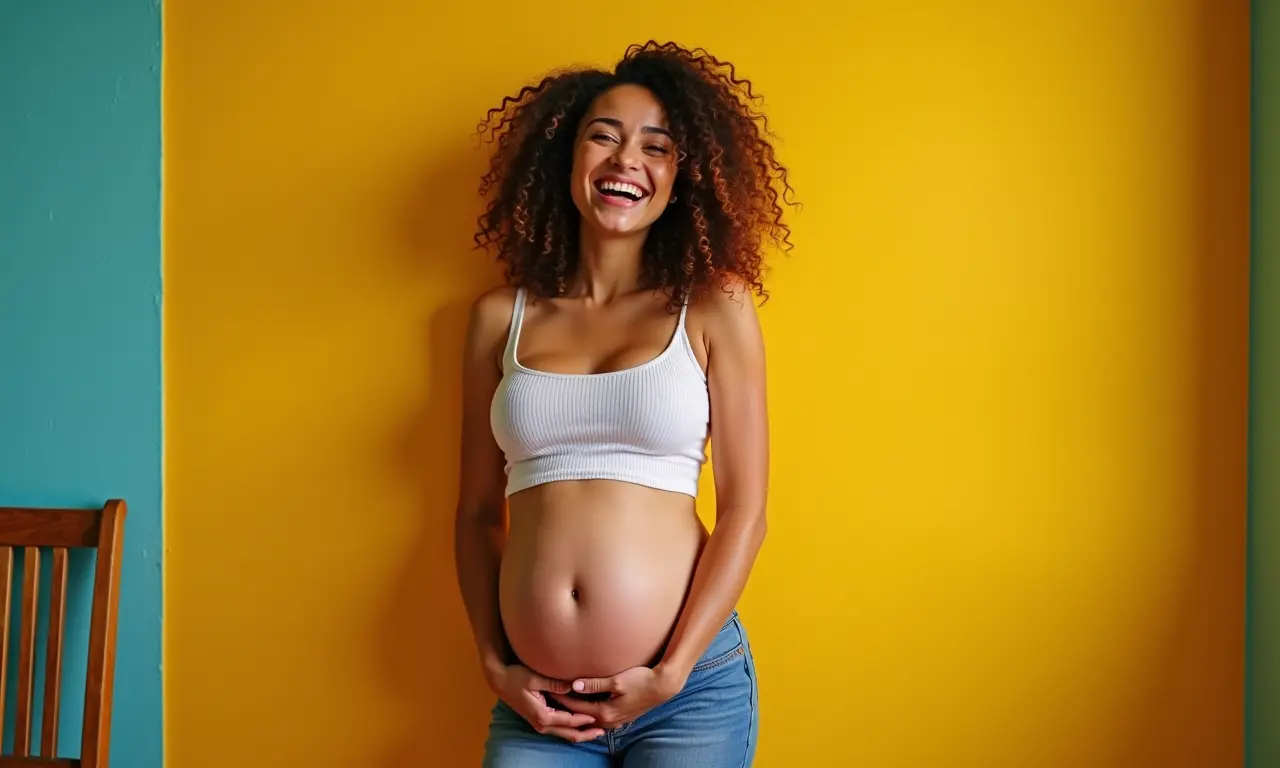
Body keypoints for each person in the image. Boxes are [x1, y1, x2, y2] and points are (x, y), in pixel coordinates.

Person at [453, 40, 795, 767]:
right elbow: (478, 512)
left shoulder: (712, 308)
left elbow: (745, 511)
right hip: (539, 705)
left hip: (686, 695)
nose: (625, 160)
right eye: (602, 136)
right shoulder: (496, 318)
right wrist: (495, 664)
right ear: (565, 161)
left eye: (657, 145)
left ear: (683, 177)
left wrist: (668, 673)